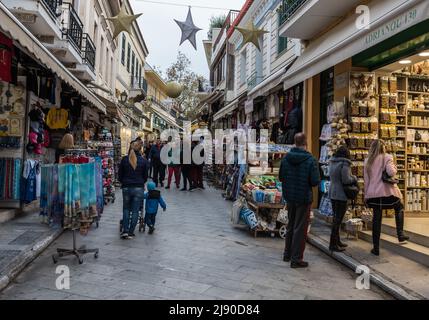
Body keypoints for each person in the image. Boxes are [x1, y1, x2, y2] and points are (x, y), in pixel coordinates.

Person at [279, 133, 320, 268]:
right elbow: (314, 181)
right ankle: (296, 259)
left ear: (295, 143)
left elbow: (280, 177)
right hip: (303, 197)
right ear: (305, 143)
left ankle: (287, 254)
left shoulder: (286, 158)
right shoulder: (311, 160)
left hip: (290, 196)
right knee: (300, 228)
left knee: (291, 224)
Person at [364, 139, 409, 256]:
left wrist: (366, 195)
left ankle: (376, 248)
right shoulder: (387, 157)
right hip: (387, 194)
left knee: (376, 219)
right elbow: (391, 172)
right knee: (399, 207)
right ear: (383, 147)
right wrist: (394, 167)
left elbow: (366, 181)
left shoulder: (367, 160)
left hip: (373, 195)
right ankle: (400, 234)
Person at [328, 145, 357, 252]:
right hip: (341, 194)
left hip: (332, 193)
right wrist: (354, 178)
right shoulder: (345, 163)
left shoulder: (332, 162)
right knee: (338, 220)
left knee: (336, 218)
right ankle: (333, 244)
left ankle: (337, 241)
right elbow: (346, 180)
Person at [118, 140, 148, 239]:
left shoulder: (124, 159)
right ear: (140, 149)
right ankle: (131, 232)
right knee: (135, 211)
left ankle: (125, 231)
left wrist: (124, 182)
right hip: (138, 188)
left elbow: (120, 175)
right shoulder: (143, 161)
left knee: (126, 209)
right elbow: (145, 177)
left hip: (126, 187)